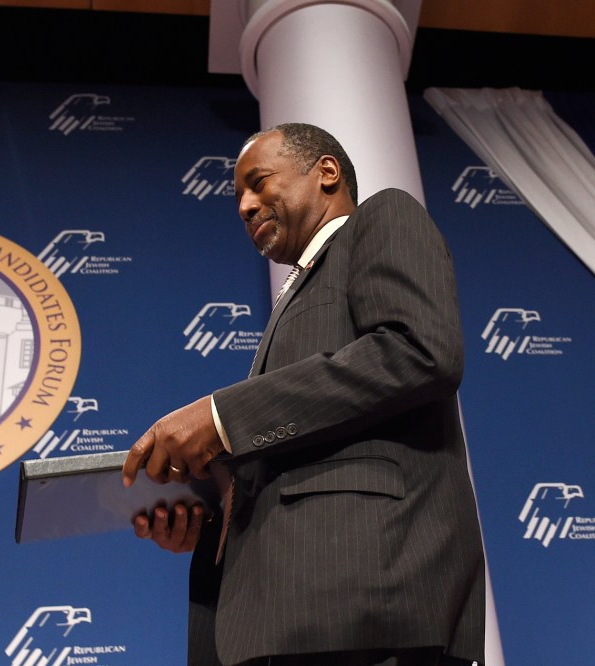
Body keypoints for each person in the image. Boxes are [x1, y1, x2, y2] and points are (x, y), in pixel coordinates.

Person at [122, 123, 486, 666]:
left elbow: (418, 351)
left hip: (370, 610)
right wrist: (212, 525)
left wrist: (221, 417)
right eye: (237, 198)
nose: (244, 206)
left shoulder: (381, 219)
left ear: (327, 172)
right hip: (283, 623)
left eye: (258, 182)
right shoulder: (296, 292)